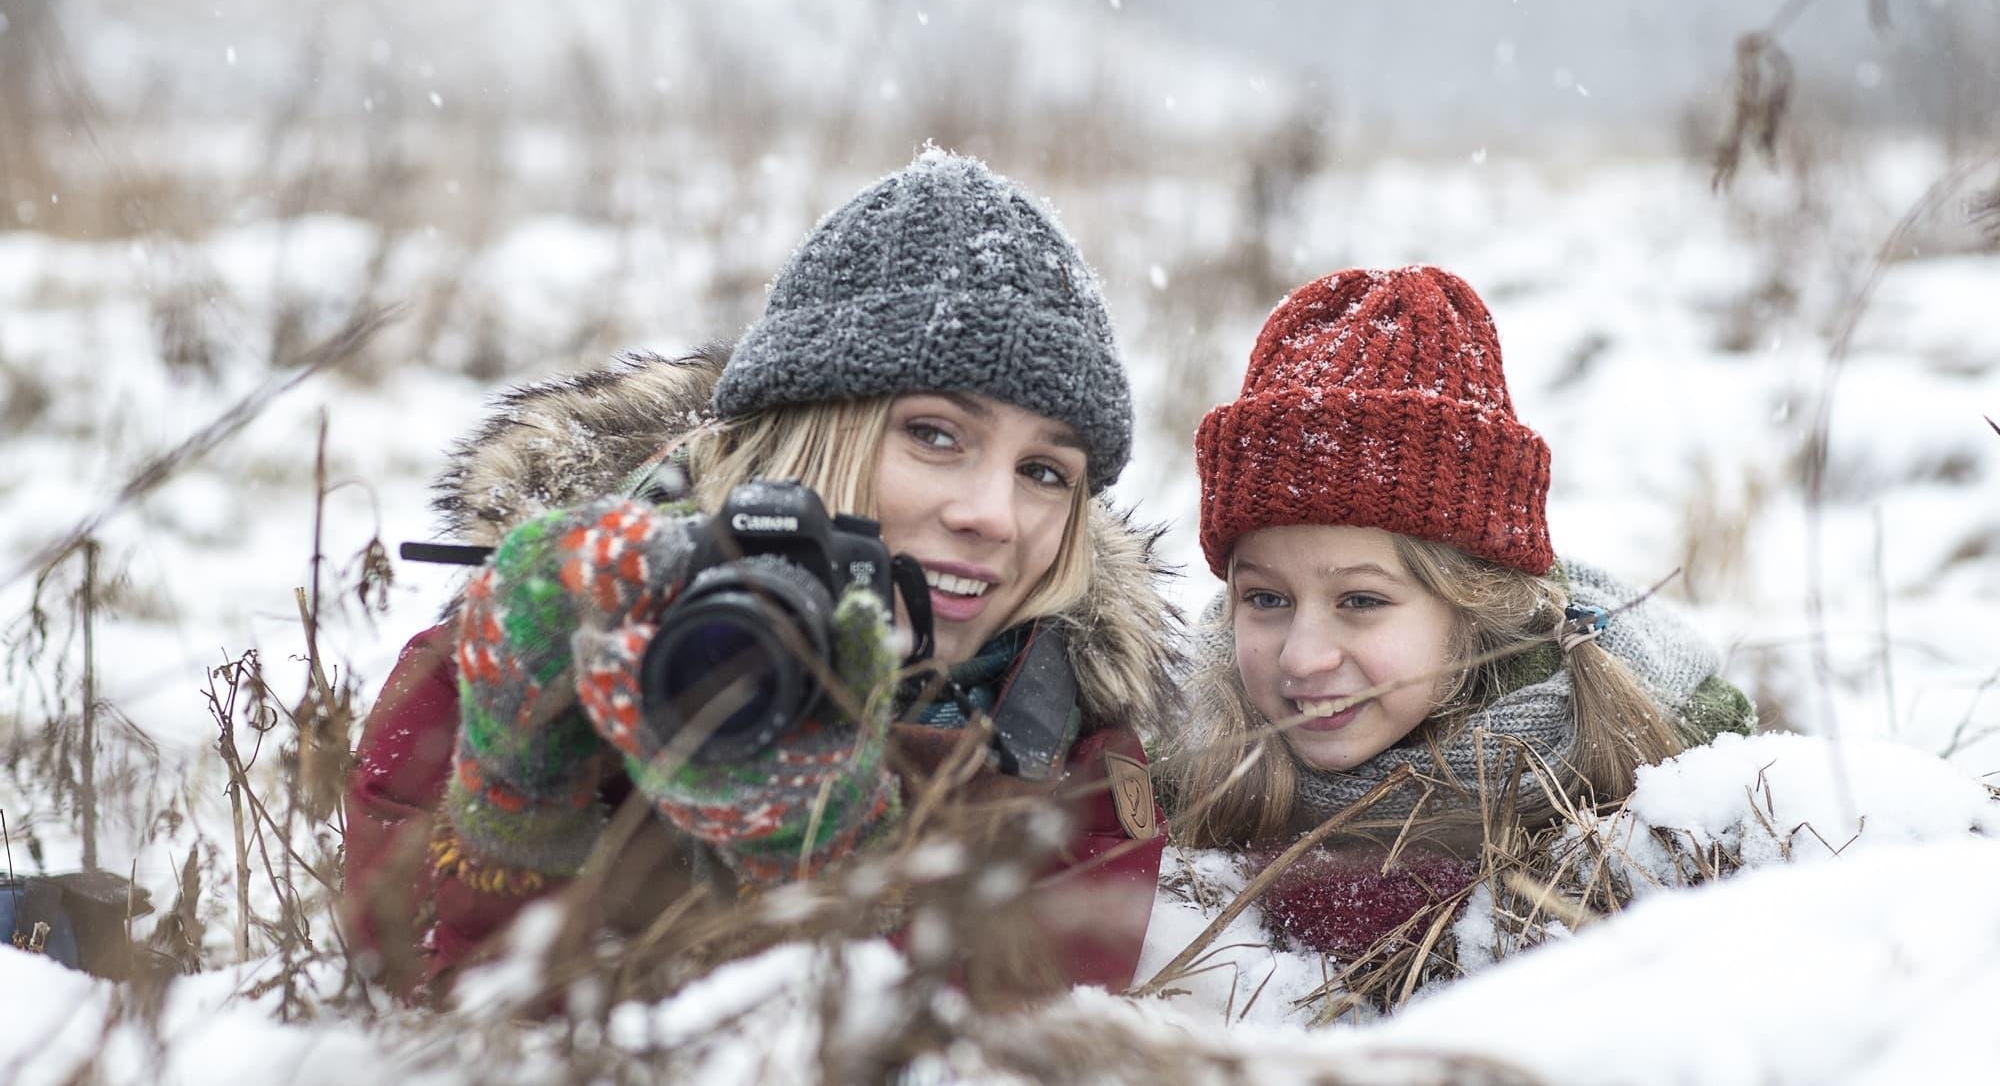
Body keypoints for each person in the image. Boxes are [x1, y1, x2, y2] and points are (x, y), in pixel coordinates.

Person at [341, 149, 1177, 999]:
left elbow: (1006, 1027)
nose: (994, 515)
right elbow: (423, 999)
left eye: (1045, 472)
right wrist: (521, 789)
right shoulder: (532, 637)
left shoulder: (1071, 741)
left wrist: (828, 856)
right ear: (809, 433)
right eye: (936, 435)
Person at [1161, 265, 1754, 959]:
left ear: (1475, 604)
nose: (1302, 655)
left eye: (1360, 601)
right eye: (1266, 599)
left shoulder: (1658, 759)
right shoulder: (1179, 748)